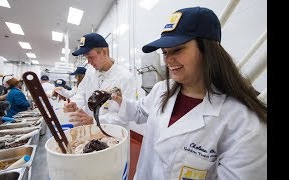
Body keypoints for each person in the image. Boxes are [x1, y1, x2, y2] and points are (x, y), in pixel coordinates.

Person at [111, 7, 267, 180]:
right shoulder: (161, 89)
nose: (168, 60)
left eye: (177, 50)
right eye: (164, 52)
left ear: (207, 50)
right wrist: (120, 100)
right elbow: (140, 112)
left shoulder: (244, 124)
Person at [63, 33, 136, 128]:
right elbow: (81, 93)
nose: (88, 62)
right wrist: (74, 103)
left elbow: (125, 115)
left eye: (90, 57)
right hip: (91, 131)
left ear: (104, 52)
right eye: (86, 58)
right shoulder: (90, 72)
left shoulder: (125, 78)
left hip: (114, 133)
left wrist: (94, 120)